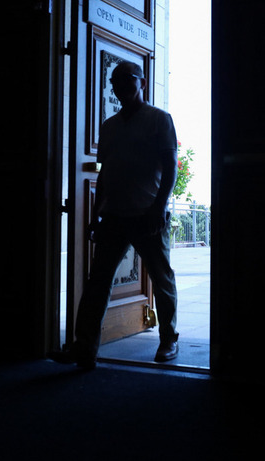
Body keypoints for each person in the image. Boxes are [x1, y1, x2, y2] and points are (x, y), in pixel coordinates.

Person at [49, 61, 180, 368]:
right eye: (115, 81)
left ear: (142, 83)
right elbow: (105, 174)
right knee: (97, 283)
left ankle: (169, 339)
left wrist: (159, 206)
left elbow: (171, 166)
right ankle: (84, 347)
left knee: (162, 279)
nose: (120, 85)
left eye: (127, 79)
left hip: (148, 213)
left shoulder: (160, 120)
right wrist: (97, 213)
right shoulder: (109, 127)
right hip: (116, 215)